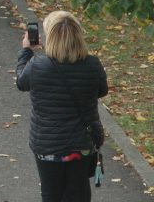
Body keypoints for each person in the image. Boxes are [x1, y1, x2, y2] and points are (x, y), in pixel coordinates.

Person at [17, 11, 108, 202]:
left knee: (51, 194)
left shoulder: (37, 65)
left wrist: (26, 50)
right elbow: (101, 91)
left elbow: (21, 82)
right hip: (81, 143)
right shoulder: (92, 65)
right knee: (79, 194)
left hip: (47, 145)